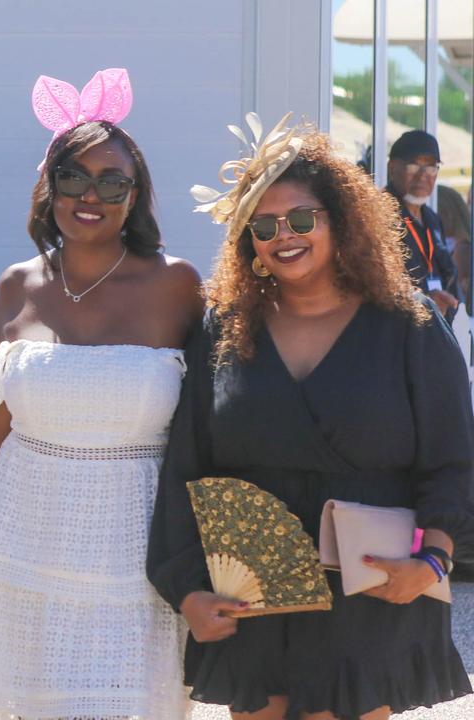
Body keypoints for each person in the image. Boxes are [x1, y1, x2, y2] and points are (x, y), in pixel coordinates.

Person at [149, 118, 474, 719]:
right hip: (254, 594)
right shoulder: (223, 329)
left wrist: (432, 560)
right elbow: (186, 467)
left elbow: (453, 458)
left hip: (373, 590)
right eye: (263, 226)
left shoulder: (411, 326)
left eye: (301, 219)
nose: (283, 236)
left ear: (340, 221)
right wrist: (187, 587)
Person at [0, 68, 201, 719]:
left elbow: (220, 423)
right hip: (20, 553)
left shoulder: (177, 286)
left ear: (136, 197)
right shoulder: (15, 286)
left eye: (113, 181)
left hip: (138, 566)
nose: (91, 194)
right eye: (73, 176)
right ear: (46, 187)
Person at [385, 129, 460, 320]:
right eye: (414, 166)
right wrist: (423, 300)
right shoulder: (378, 215)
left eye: (431, 168)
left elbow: (448, 273)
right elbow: (376, 284)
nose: (422, 176)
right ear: (392, 168)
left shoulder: (432, 219)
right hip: (399, 332)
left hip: (436, 329)